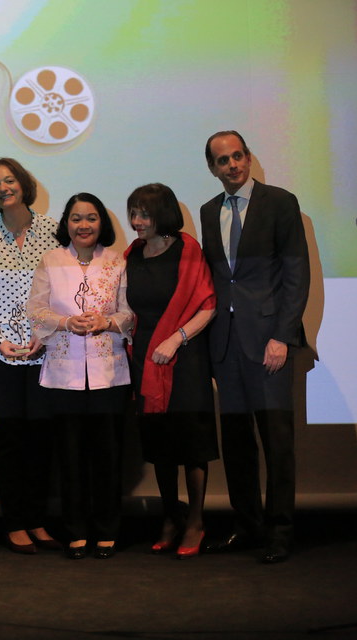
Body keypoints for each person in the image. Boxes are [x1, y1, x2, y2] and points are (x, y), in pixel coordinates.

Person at [199, 131, 310, 564]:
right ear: (213, 168)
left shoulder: (280, 202)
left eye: (237, 156)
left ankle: (280, 532)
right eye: (223, 160)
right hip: (226, 346)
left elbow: (296, 274)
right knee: (237, 446)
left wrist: (282, 335)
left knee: (277, 444)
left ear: (248, 157)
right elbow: (217, 278)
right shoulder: (209, 211)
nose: (232, 165)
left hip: (269, 343)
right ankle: (248, 527)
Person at [27, 192, 133, 560]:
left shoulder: (117, 261)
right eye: (75, 218)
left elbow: (129, 312)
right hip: (63, 374)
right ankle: (75, 532)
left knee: (108, 455)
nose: (83, 225)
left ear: (102, 222)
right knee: (70, 457)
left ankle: (107, 530)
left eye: (90, 218)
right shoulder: (51, 260)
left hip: (109, 373)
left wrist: (108, 321)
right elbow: (36, 310)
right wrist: (65, 322)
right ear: (66, 223)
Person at [0, 158, 61, 554]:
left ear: (23, 184)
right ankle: (15, 522)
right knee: (9, 438)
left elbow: (61, 290)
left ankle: (37, 520)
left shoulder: (53, 230)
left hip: (45, 349)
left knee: (40, 436)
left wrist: (44, 333)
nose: (3, 188)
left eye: (9, 181)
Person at [123, 183, 218, 558]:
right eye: (133, 213)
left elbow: (208, 305)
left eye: (144, 214)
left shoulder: (187, 249)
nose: (136, 221)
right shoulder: (131, 253)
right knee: (160, 443)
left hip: (184, 356)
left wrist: (176, 339)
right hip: (145, 358)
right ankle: (170, 516)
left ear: (162, 215)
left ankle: (195, 520)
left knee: (192, 444)